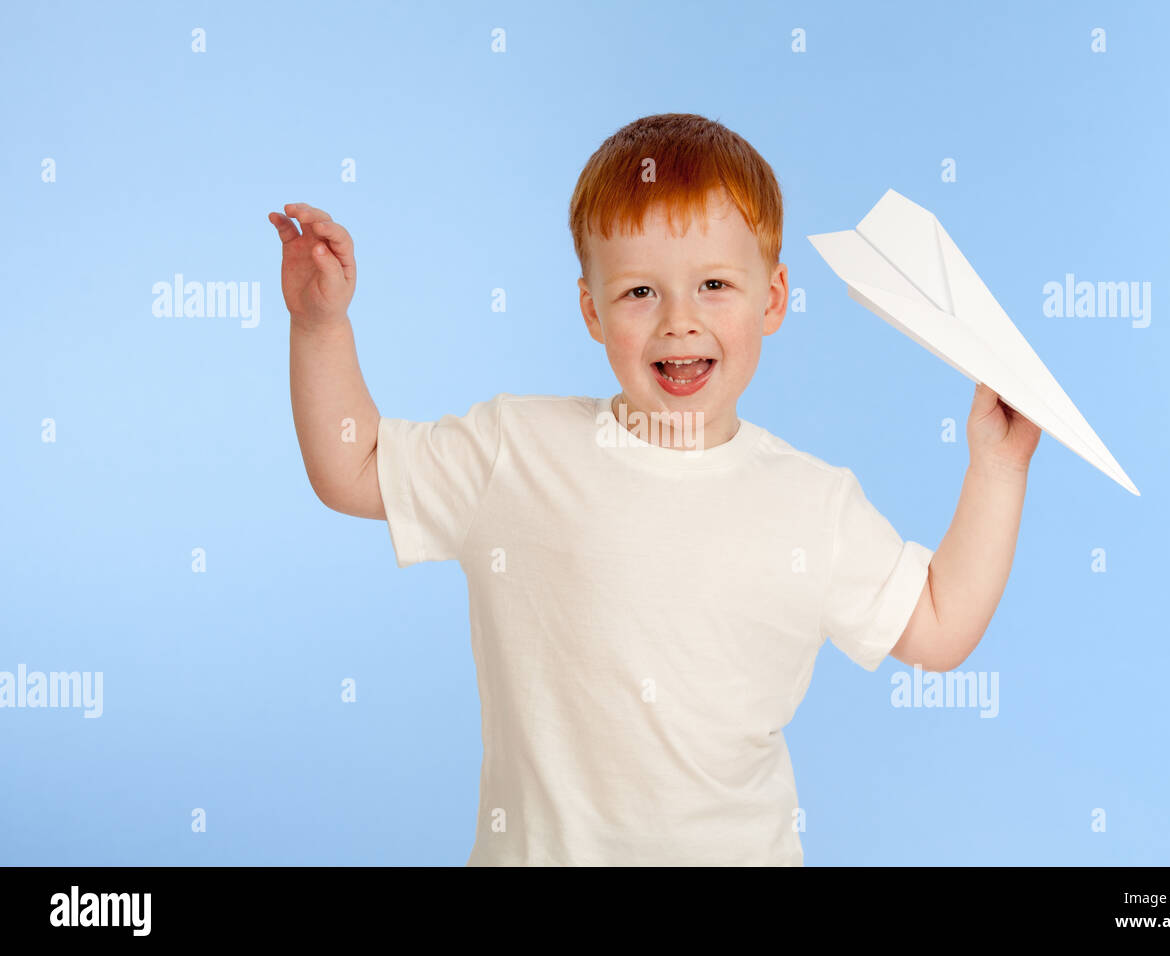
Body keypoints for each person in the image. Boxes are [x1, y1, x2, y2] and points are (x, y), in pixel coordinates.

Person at [268, 112, 1041, 866]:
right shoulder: (517, 449)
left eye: (713, 284)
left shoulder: (813, 503)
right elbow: (354, 466)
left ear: (772, 300)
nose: (679, 320)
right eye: (640, 292)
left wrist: (999, 467)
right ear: (592, 311)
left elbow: (939, 626)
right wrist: (319, 326)